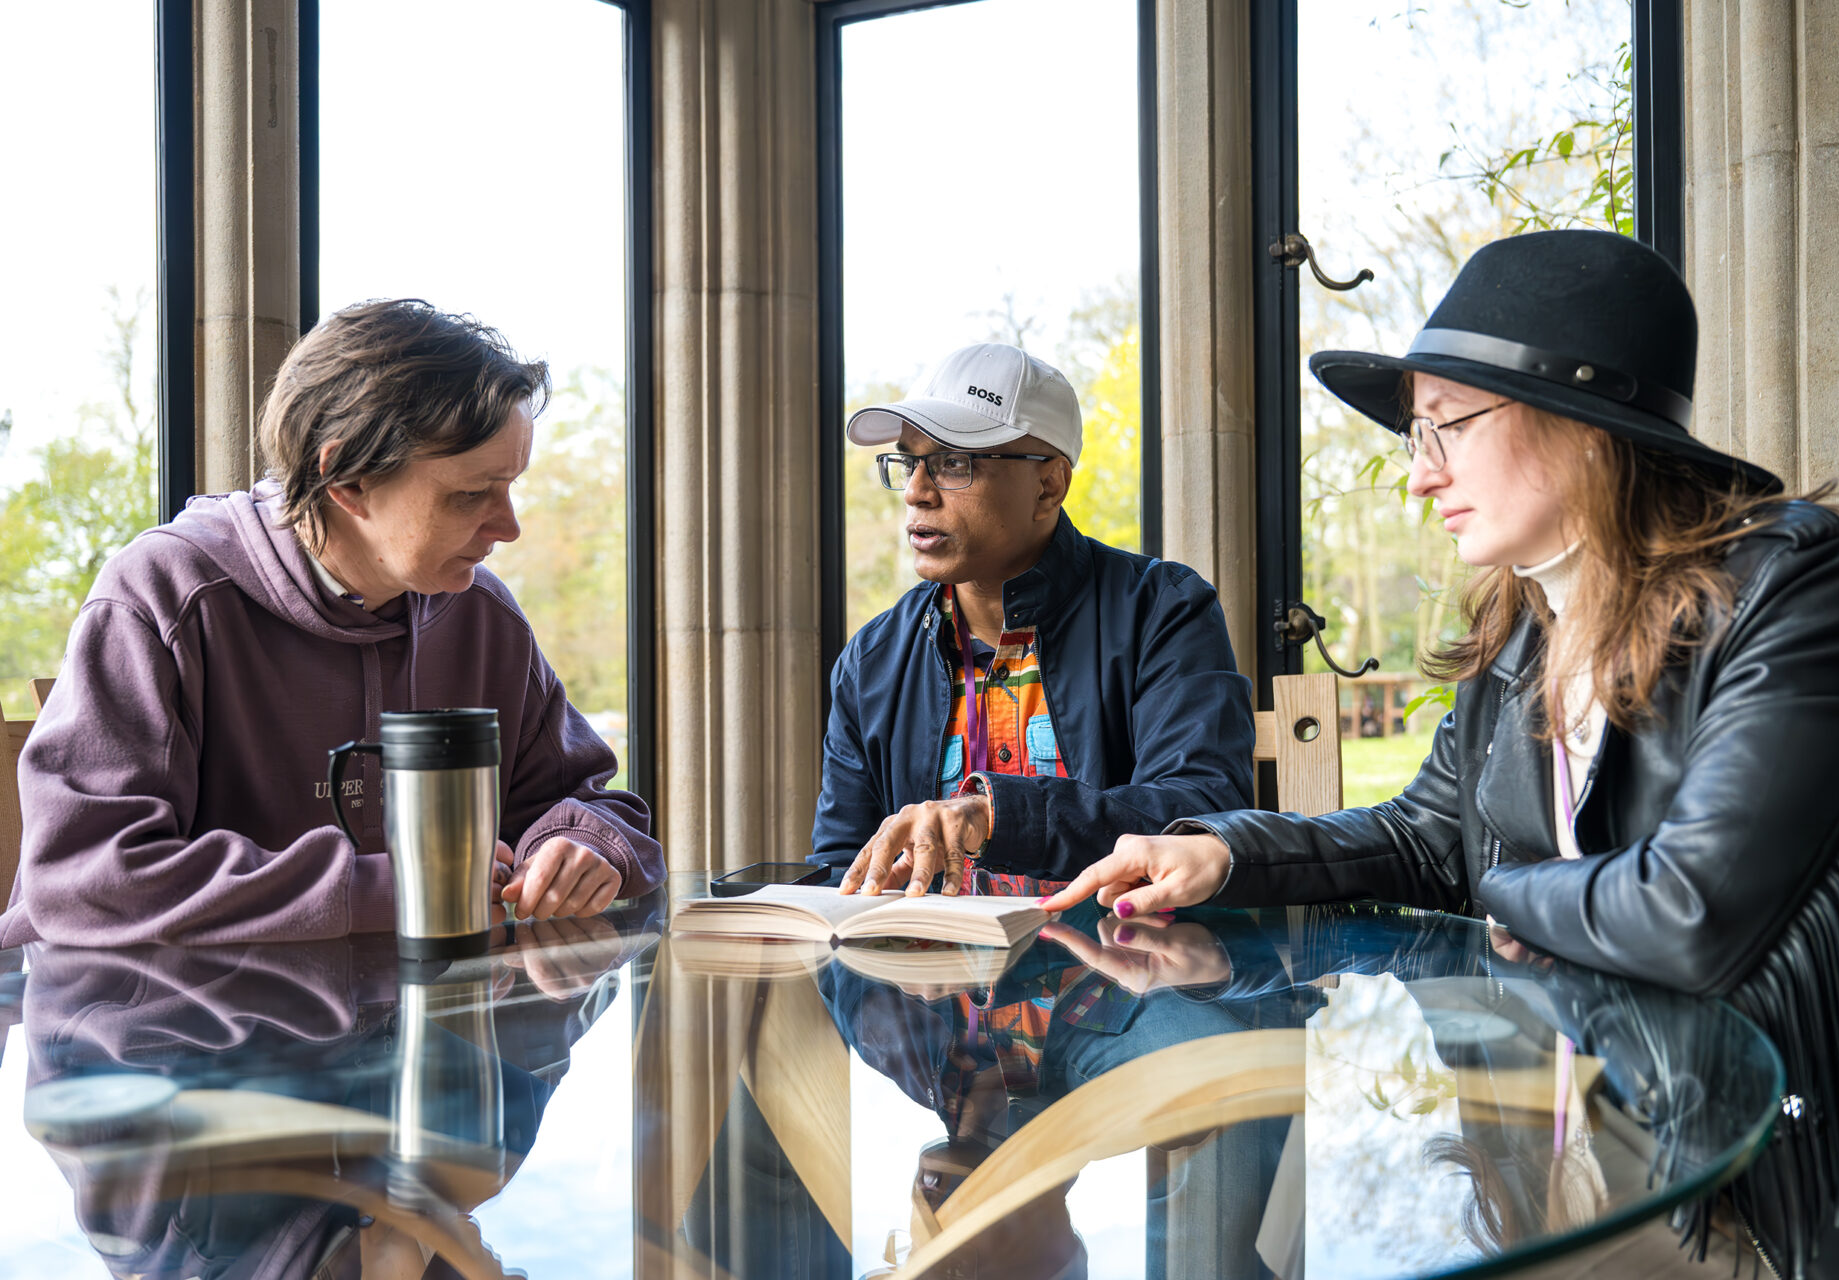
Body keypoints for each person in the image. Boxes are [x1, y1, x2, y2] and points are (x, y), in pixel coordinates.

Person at [1044, 230, 1839, 1275]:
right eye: (1419, 439)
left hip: (1768, 1177)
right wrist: (1225, 852)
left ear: (1586, 428)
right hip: (1577, 1127)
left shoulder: (1800, 587)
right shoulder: (1526, 628)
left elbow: (1693, 915)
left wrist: (1503, 887)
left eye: (1444, 428)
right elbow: (1425, 835)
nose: (1422, 478)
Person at [0, 299, 663, 948]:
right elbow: (84, 879)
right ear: (346, 480)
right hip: (145, 1038)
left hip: (402, 1026)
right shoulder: (165, 594)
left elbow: (591, 804)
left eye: (510, 486)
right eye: (469, 495)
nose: (509, 527)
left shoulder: (482, 614)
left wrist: (579, 843)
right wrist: (377, 888)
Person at [813, 341, 1254, 898]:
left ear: (1048, 486)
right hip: (931, 983)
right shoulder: (871, 661)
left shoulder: (1162, 612)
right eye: (909, 462)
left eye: (953, 463)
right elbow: (841, 870)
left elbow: (1203, 813)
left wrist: (998, 816)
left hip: (1124, 967)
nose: (918, 493)